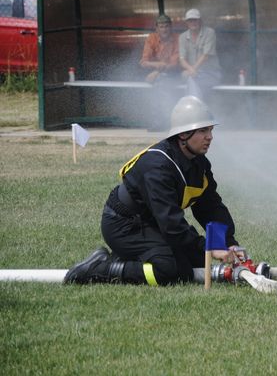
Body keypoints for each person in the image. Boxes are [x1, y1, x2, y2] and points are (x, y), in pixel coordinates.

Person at [64, 96, 242, 286]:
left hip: (153, 223)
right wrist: (208, 248)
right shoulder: (157, 166)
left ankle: (130, 260)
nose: (210, 136)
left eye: (211, 130)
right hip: (124, 225)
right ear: (183, 135)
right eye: (203, 130)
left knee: (197, 261)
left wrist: (227, 242)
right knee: (170, 271)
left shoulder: (199, 163)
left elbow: (210, 207)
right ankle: (102, 268)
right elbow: (171, 224)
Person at [139, 14, 180, 131]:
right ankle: (163, 121)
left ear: (171, 27)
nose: (164, 29)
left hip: (174, 74)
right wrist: (157, 66)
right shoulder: (151, 38)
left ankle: (160, 122)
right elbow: (143, 61)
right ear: (156, 28)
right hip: (155, 75)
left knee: (160, 84)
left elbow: (174, 64)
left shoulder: (177, 38)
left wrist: (156, 72)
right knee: (159, 84)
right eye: (161, 27)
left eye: (166, 26)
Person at [179, 8, 221, 100]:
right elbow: (182, 59)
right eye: (190, 20)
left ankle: (196, 107)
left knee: (192, 80)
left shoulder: (210, 32)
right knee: (184, 78)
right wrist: (191, 70)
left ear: (200, 21)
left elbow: (206, 55)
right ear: (186, 22)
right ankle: (192, 107)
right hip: (192, 73)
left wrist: (192, 70)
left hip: (211, 73)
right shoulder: (182, 37)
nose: (193, 22)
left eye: (195, 20)